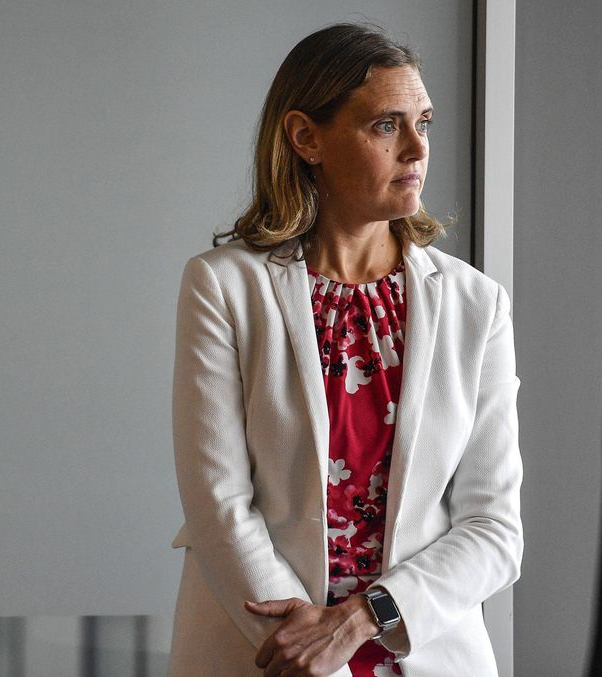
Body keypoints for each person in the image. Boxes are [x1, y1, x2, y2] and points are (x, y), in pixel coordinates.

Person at [167, 23, 522, 677]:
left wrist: (361, 619)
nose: (417, 148)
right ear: (306, 138)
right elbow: (217, 503)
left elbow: (494, 530)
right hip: (261, 656)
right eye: (387, 125)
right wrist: (307, 649)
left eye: (425, 122)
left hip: (422, 653)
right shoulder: (222, 286)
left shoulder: (478, 305)